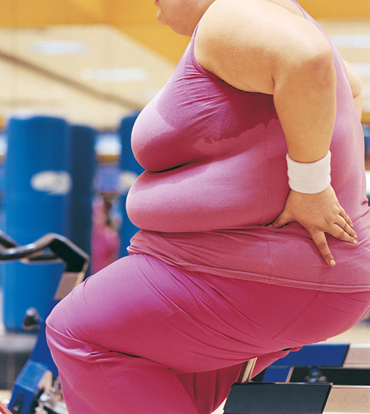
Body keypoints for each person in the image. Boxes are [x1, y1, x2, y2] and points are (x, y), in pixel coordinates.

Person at [46, 0, 370, 413]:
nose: (154, 5)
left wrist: (311, 185)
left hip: (244, 272)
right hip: (310, 277)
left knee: (76, 330)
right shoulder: (270, 16)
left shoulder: (227, 13)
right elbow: (350, 84)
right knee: (164, 380)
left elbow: (307, 60)